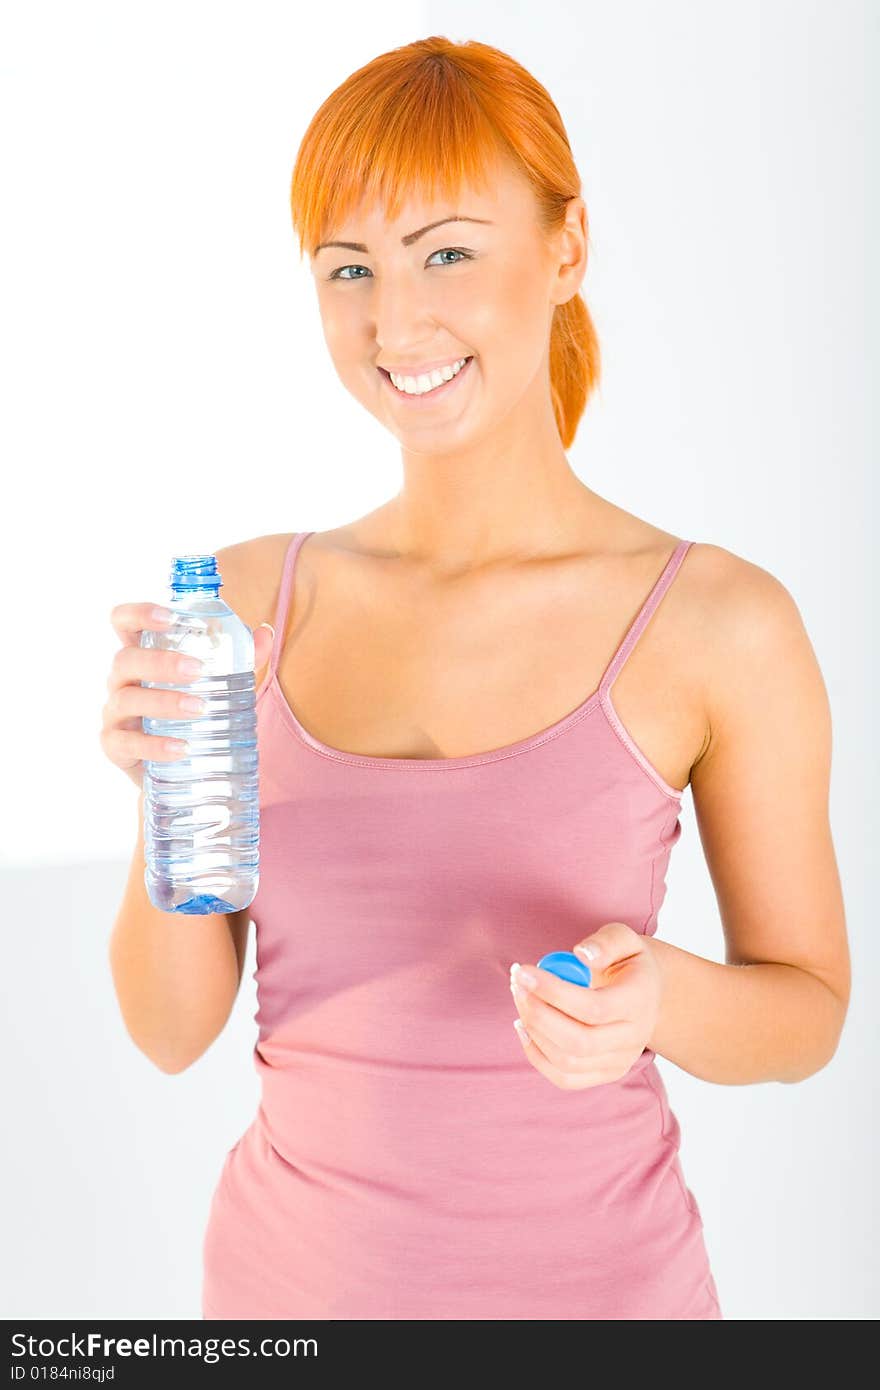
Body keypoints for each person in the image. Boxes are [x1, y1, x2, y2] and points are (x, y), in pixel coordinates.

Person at [103, 37, 850, 1320]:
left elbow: (807, 1010)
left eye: (446, 250)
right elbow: (171, 1033)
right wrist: (174, 792)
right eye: (351, 269)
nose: (396, 323)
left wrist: (659, 999)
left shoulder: (719, 624)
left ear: (565, 249)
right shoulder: (240, 606)